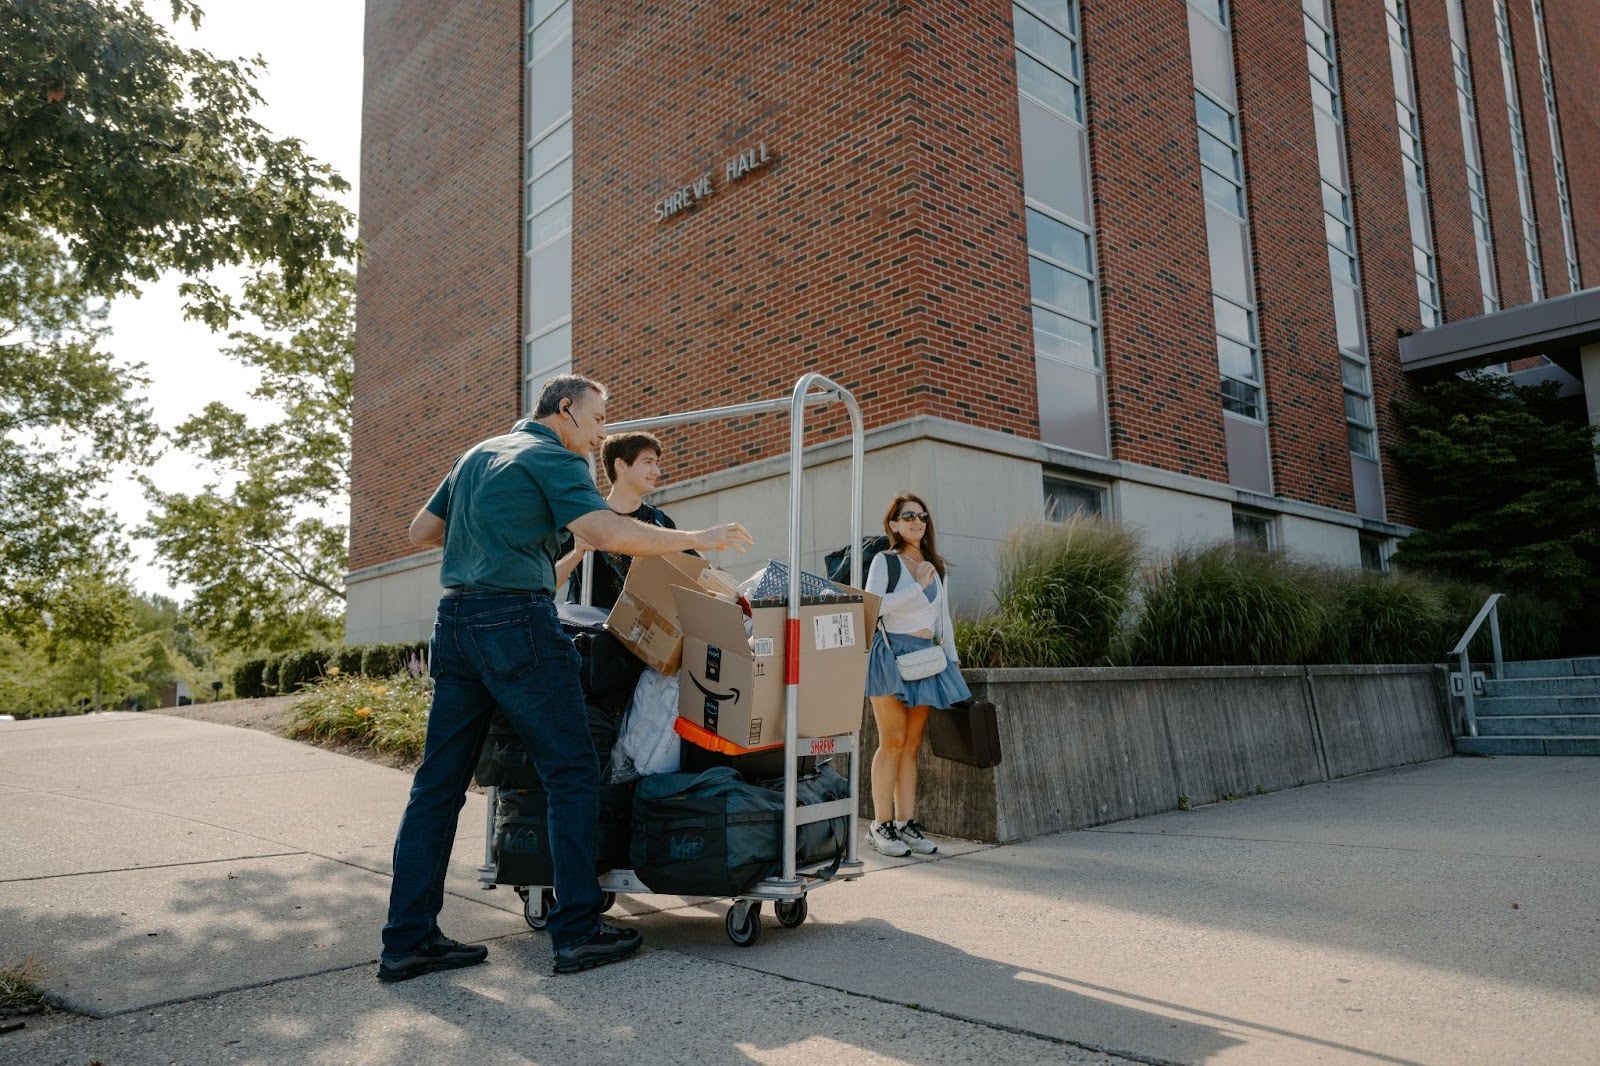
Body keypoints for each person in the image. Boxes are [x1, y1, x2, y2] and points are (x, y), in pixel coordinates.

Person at [379, 374, 752, 982]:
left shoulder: (477, 454)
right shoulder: (557, 458)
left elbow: (422, 532)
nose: (602, 431)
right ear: (565, 409)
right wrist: (697, 538)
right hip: (518, 622)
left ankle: (408, 941)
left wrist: (500, 531)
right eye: (599, 417)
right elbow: (608, 532)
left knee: (437, 787)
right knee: (572, 772)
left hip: (455, 620)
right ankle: (577, 931)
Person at [862, 493, 970, 858]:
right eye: (907, 516)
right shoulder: (885, 562)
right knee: (891, 741)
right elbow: (873, 608)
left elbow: (944, 620)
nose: (917, 521)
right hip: (891, 656)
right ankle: (880, 825)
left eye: (922, 516)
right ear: (893, 524)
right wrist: (918, 587)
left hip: (927, 658)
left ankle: (906, 824)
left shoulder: (934, 566)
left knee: (911, 746)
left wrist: (951, 660)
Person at [554, 430, 687, 609]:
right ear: (621, 465)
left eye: (656, 463)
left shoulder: (660, 522)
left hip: (643, 632)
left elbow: (691, 577)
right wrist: (576, 554)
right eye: (648, 462)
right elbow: (548, 583)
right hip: (594, 631)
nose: (656, 471)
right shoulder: (585, 519)